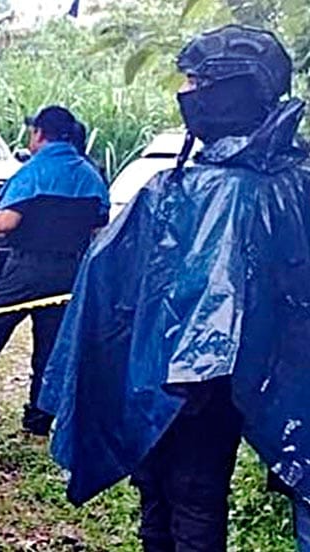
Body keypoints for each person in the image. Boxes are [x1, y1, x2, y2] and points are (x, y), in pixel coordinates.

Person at [40, 25, 310, 551]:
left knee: (185, 494)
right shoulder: (290, 181)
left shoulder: (201, 188)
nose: (184, 94)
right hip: (208, 376)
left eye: (193, 82)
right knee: (171, 491)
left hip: (189, 382)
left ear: (226, 90)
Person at [0, 106, 108, 437]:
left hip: (27, 268)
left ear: (39, 133)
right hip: (70, 271)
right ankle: (38, 423)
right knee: (51, 348)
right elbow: (100, 225)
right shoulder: (90, 174)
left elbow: (7, 221)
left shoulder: (33, 171)